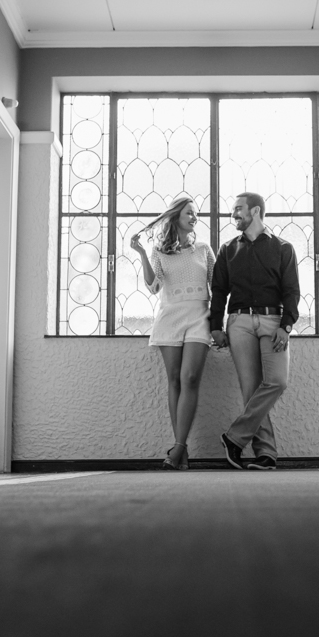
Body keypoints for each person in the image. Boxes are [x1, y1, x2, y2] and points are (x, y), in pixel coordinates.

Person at [210, 192, 300, 471]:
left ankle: (234, 438)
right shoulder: (227, 249)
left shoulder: (283, 248)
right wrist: (214, 326)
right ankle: (266, 455)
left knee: (276, 382)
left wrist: (286, 326)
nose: (233, 214)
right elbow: (219, 291)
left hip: (273, 321)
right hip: (238, 323)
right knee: (251, 390)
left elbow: (291, 291)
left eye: (238, 209)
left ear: (256, 211)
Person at [130, 196, 216, 470]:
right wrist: (142, 253)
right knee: (175, 381)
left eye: (196, 214)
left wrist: (219, 324)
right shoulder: (158, 252)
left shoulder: (204, 249)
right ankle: (181, 449)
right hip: (169, 318)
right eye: (190, 213)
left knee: (190, 377)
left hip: (199, 318)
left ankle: (177, 448)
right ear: (176, 215)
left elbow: (217, 285)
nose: (195, 217)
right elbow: (153, 286)